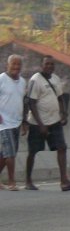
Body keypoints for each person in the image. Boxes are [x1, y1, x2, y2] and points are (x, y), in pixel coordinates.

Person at [25, 55, 70, 191]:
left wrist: (64, 113)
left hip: (54, 121)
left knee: (62, 148)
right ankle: (28, 181)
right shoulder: (35, 80)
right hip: (37, 123)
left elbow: (60, 97)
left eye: (51, 64)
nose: (49, 66)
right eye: (47, 64)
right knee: (33, 151)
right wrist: (41, 125)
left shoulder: (55, 79)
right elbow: (31, 102)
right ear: (41, 65)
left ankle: (64, 181)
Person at [0, 55, 27, 191]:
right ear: (8, 65)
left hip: (16, 121)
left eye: (18, 65)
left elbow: (23, 101)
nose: (16, 67)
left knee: (6, 153)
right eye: (13, 64)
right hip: (4, 123)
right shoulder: (1, 79)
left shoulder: (22, 82)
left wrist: (24, 122)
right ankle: (12, 182)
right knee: (10, 153)